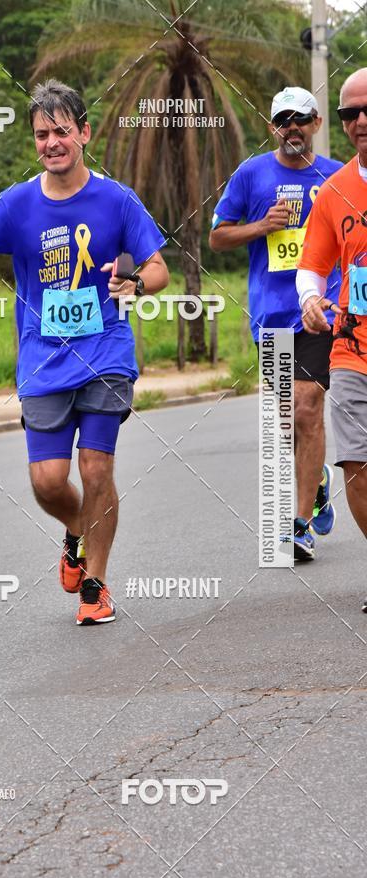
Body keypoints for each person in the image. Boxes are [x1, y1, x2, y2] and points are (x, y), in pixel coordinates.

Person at [0, 79, 169, 625]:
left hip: (106, 352)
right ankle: (76, 529)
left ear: (84, 133)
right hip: (44, 360)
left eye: (61, 131)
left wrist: (136, 284)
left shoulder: (116, 200)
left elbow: (159, 268)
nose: (51, 142)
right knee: (48, 482)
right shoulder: (20, 203)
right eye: (42, 134)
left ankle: (95, 584)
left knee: (96, 469)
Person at [209, 86, 342, 561]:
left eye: (300, 119)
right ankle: (319, 478)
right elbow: (218, 236)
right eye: (283, 120)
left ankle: (300, 524)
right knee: (287, 424)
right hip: (271, 316)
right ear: (272, 128)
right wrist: (261, 226)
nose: (292, 127)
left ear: (317, 125)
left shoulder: (337, 178)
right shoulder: (251, 175)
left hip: (321, 313)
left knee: (308, 408)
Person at [296, 69, 367, 605]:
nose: (360, 122)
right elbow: (313, 265)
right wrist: (309, 300)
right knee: (356, 464)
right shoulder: (334, 190)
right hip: (352, 347)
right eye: (349, 114)